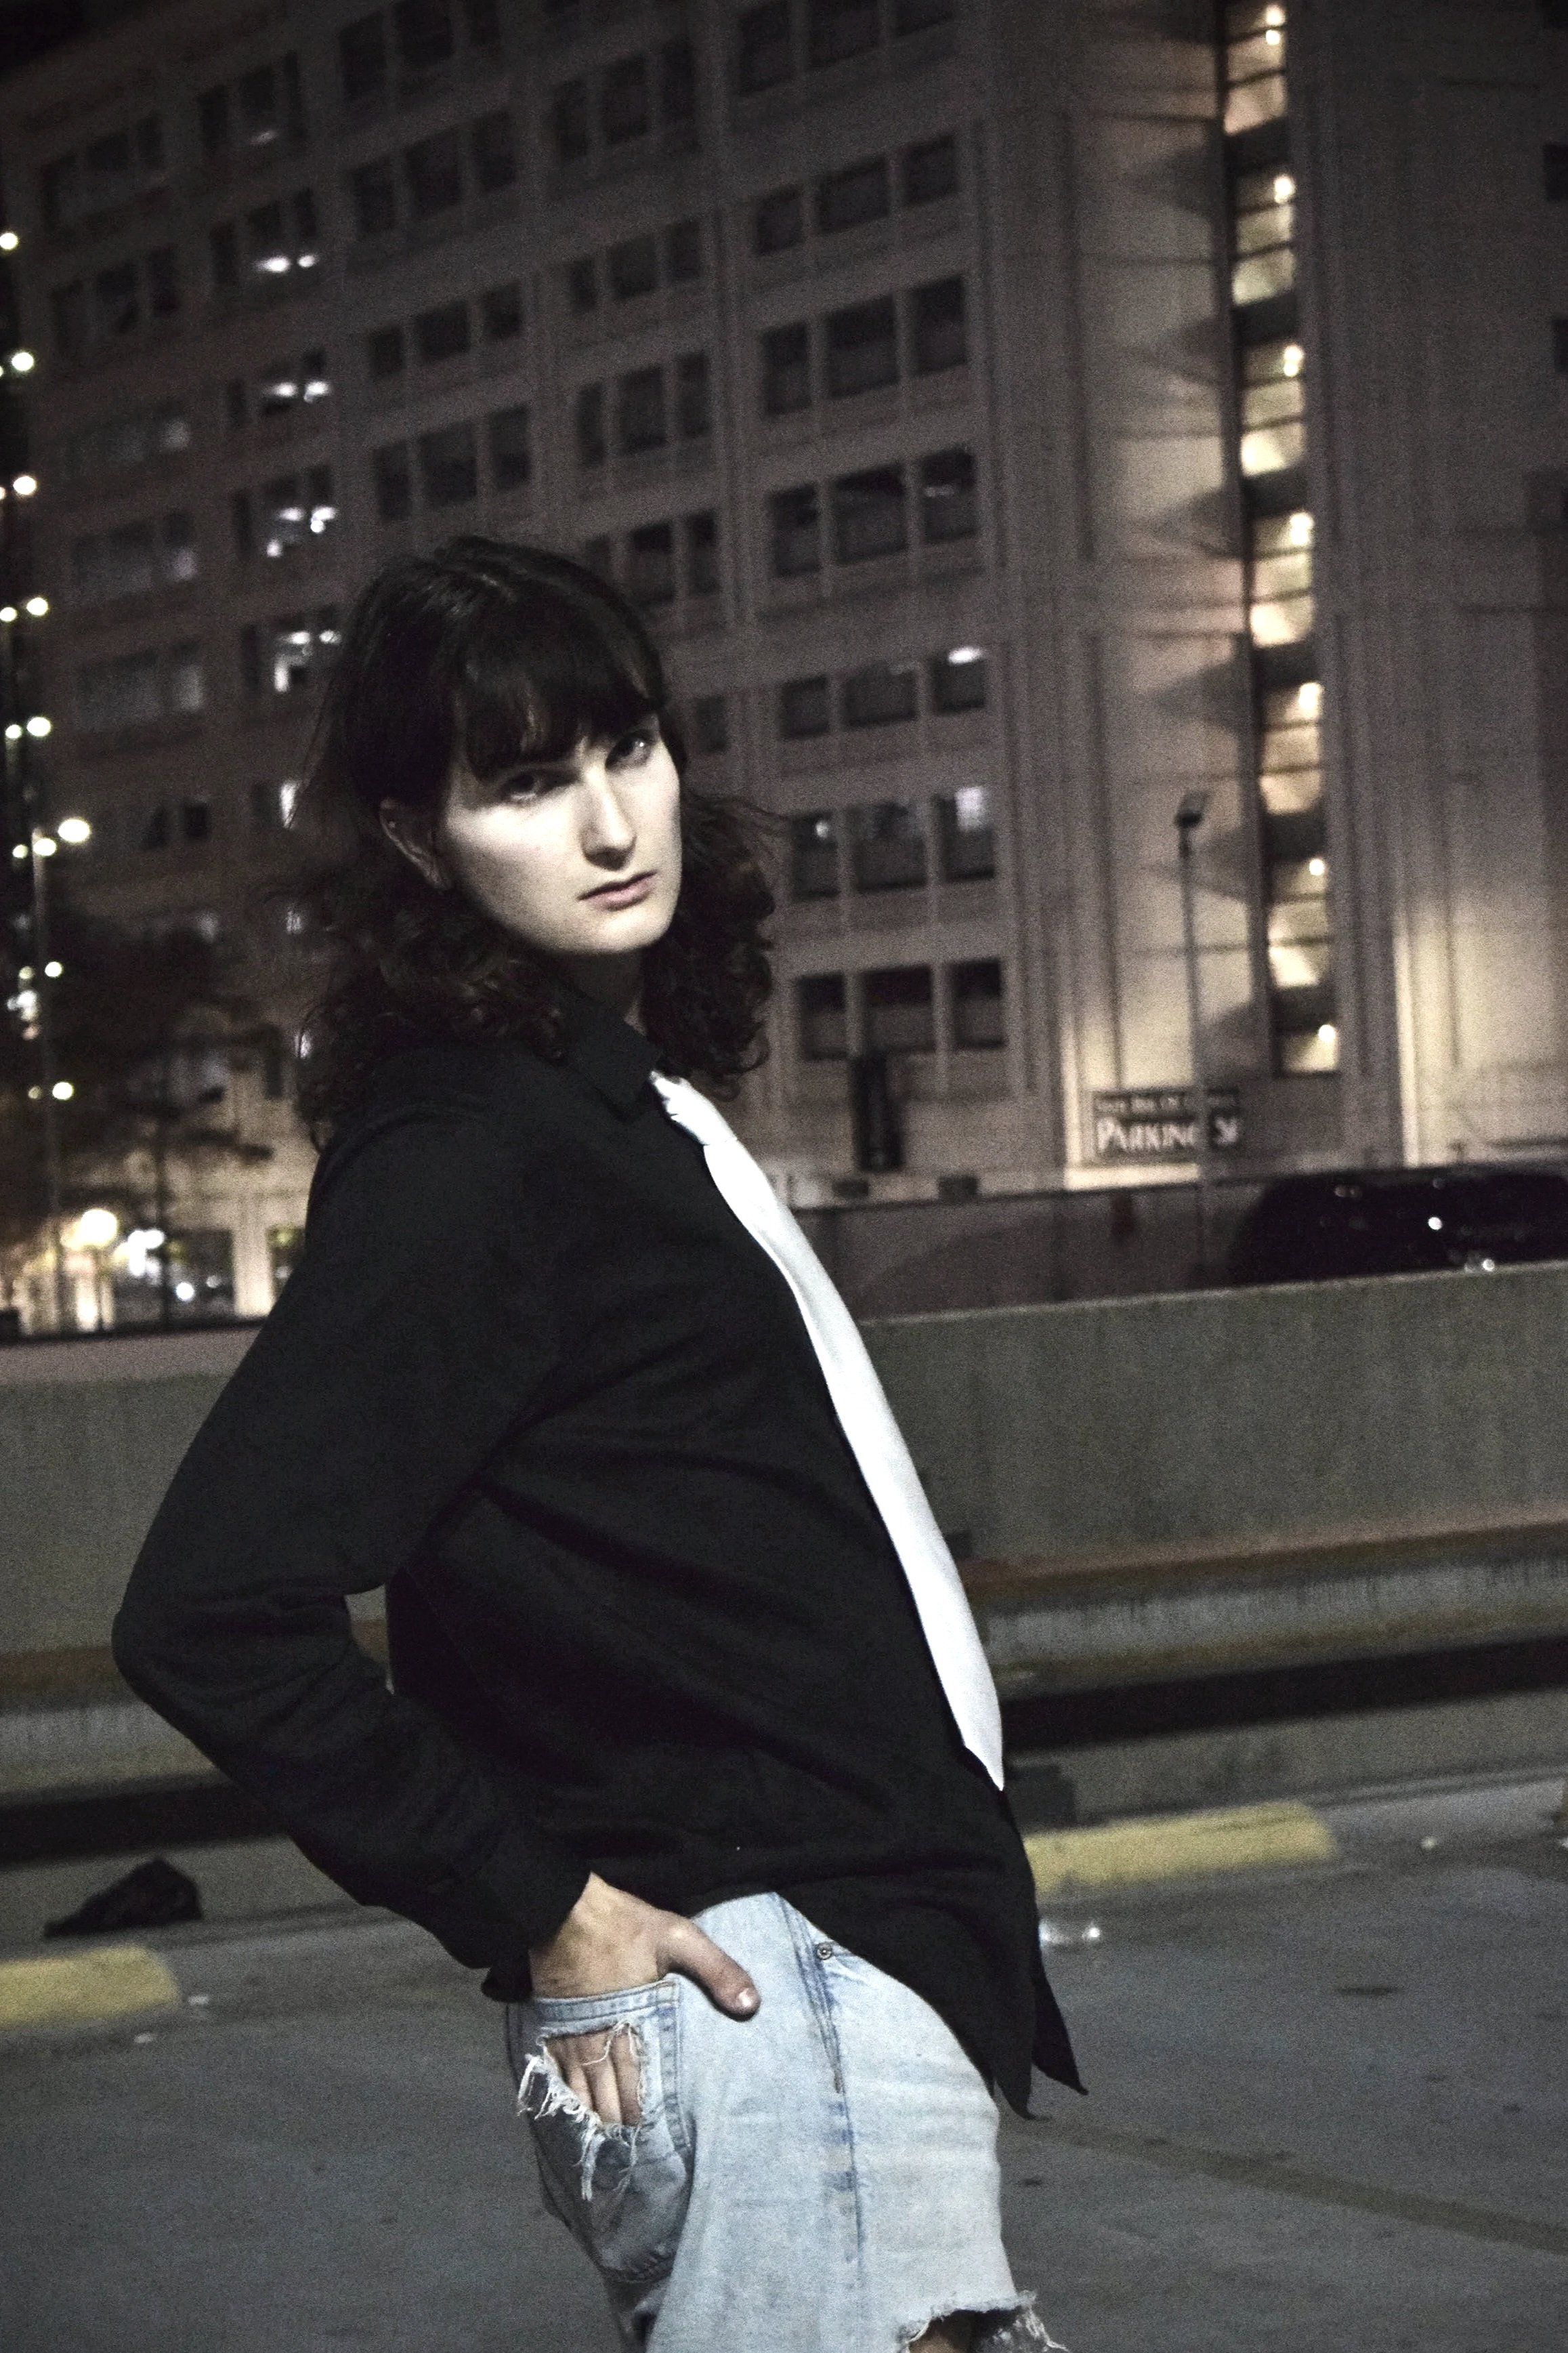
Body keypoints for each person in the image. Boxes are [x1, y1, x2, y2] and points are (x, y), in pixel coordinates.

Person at [112, 538, 1080, 2353]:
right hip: (771, 1986)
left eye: (628, 750)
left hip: (820, 1965)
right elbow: (208, 1609)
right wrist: (540, 1905)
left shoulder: (611, 1099)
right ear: (418, 842)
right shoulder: (472, 1152)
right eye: (528, 784)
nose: (613, 822)